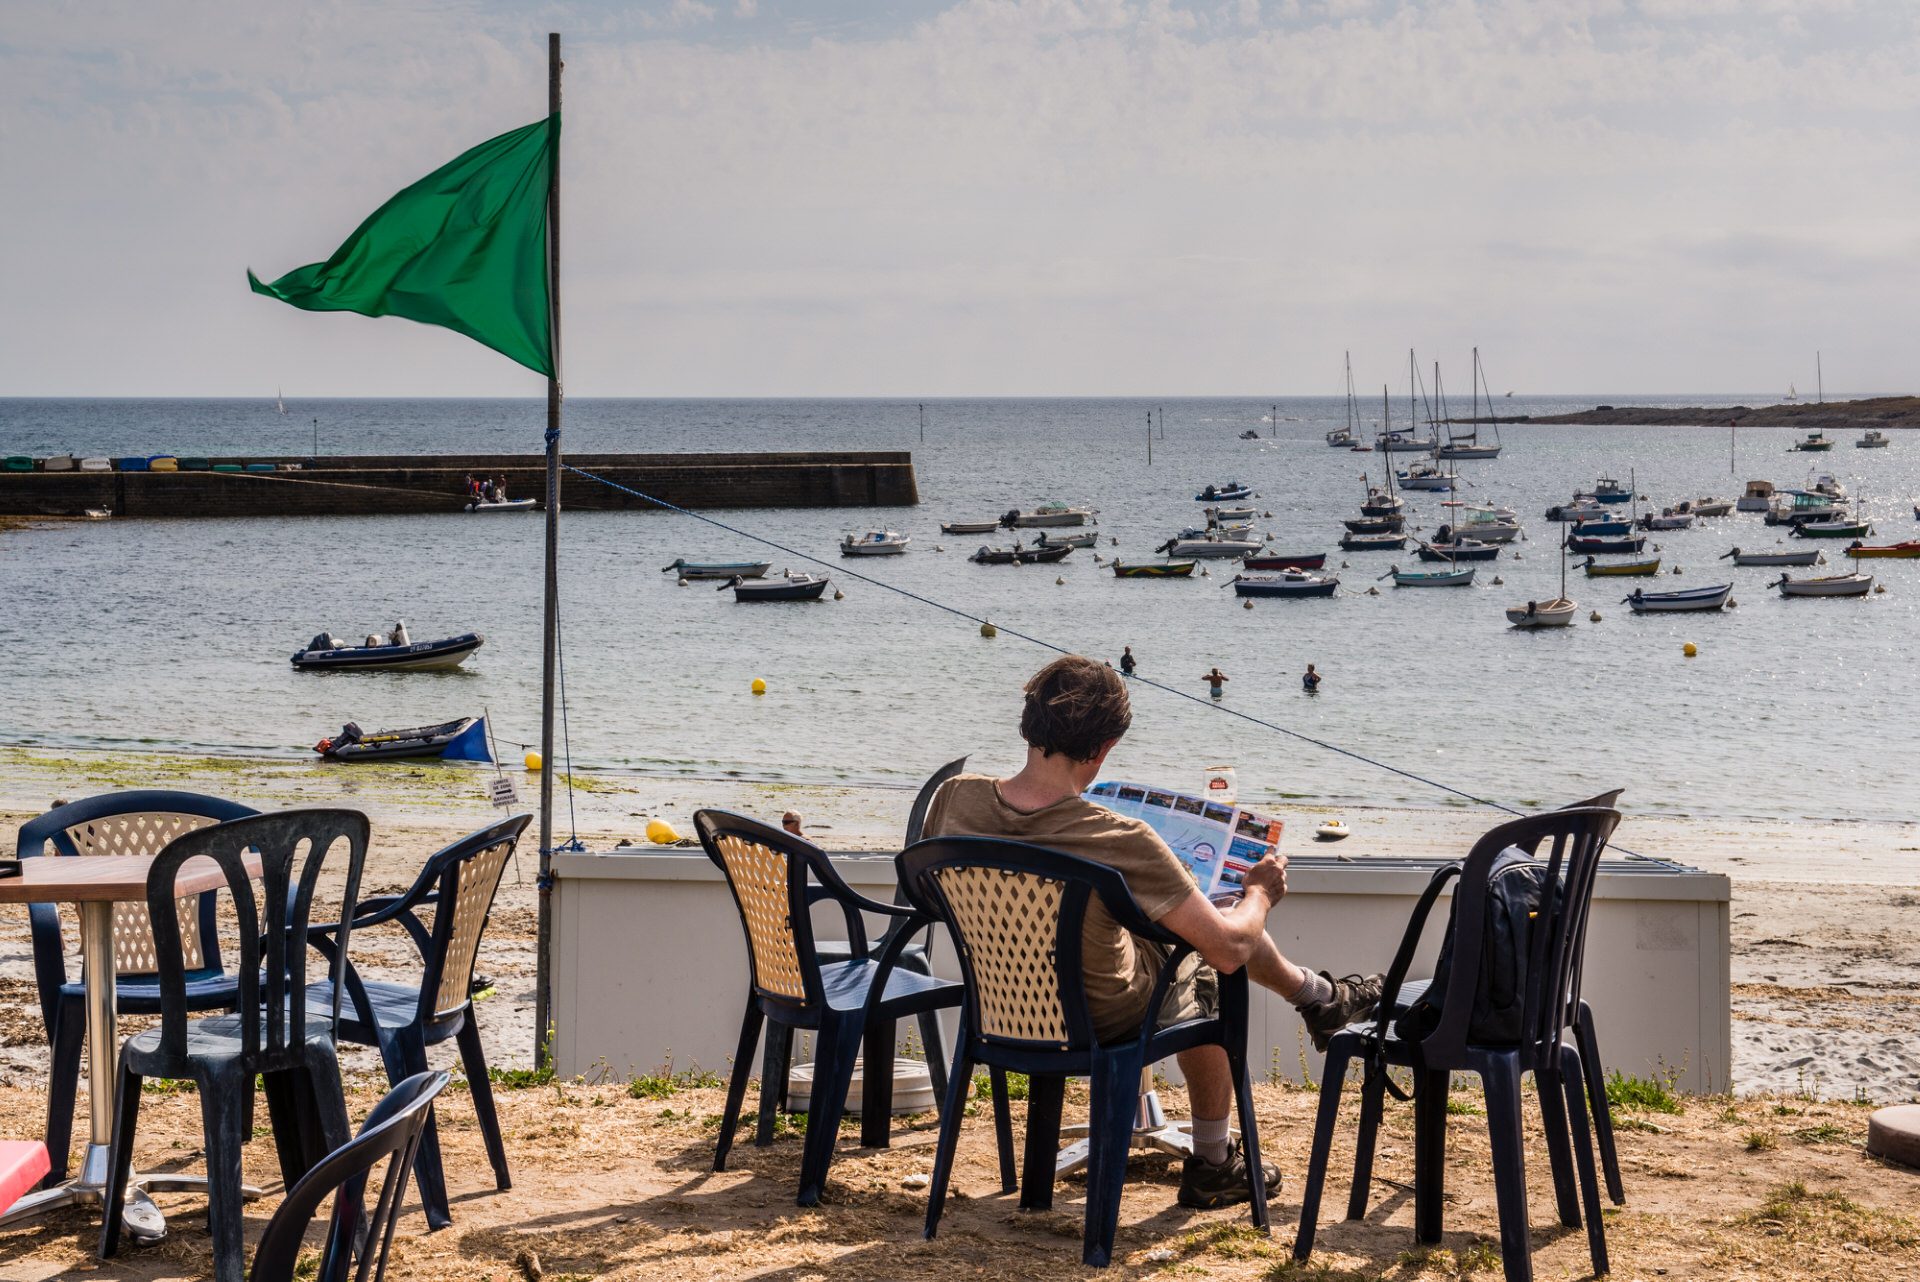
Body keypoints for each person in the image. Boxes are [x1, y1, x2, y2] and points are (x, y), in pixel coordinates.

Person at [922, 656, 1381, 1209]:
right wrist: (1260, 891)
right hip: (1102, 1014)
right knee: (1213, 953)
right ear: (1104, 748)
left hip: (1000, 1004)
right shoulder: (1120, 838)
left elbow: (931, 894)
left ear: (1028, 721)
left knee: (1182, 929)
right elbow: (1233, 948)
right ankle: (1215, 1161)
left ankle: (1318, 998)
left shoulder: (953, 798)